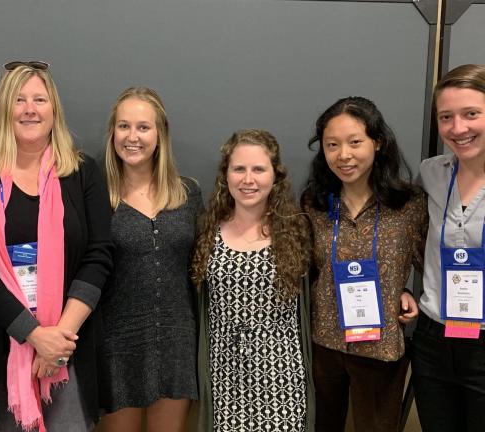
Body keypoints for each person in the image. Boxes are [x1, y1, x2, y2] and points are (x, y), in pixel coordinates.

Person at [0, 61, 114, 432]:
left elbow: (99, 255)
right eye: (19, 100)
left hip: (69, 347)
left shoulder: (82, 172)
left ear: (54, 109)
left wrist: (58, 340)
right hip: (4, 347)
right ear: (3, 110)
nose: (30, 109)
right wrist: (34, 334)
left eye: (40, 99)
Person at [301, 96, 426, 432]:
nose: (344, 155)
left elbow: (433, 267)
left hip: (381, 347)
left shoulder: (409, 205)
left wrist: (407, 291)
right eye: (332, 145)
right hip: (323, 344)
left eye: (355, 142)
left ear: (378, 142)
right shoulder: (314, 203)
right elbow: (306, 271)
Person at [192, 129, 313, 432]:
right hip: (223, 375)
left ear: (275, 175)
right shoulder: (206, 230)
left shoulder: (297, 230)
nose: (248, 179)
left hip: (282, 376)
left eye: (259, 169)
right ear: (226, 175)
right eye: (239, 169)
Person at [98, 87, 201, 432]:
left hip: (177, 341)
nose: (132, 137)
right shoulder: (95, 195)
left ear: (160, 135)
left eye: (143, 127)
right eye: (124, 126)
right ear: (113, 133)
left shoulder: (188, 194)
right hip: (115, 343)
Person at [413, 63, 485, 432]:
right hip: (433, 339)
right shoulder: (431, 172)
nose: (458, 128)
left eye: (471, 114)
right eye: (446, 117)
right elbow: (407, 233)